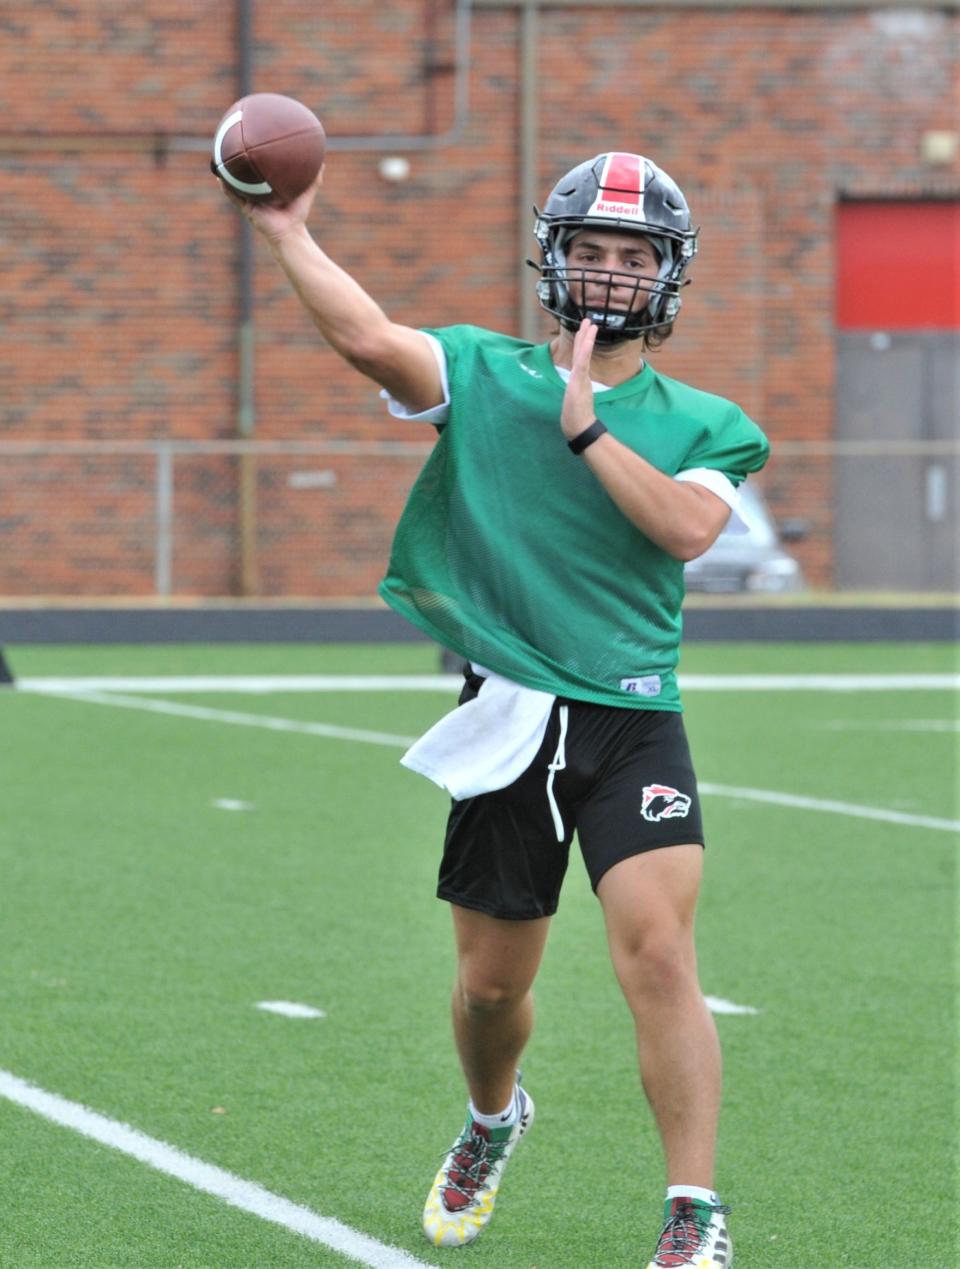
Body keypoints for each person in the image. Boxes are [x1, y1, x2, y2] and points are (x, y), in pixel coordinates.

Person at [221, 149, 767, 1268]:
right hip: (514, 715)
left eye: (632, 256)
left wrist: (589, 429)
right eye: (590, 250)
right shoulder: (483, 371)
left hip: (631, 717)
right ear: (553, 260)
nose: (608, 273)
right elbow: (372, 339)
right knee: (488, 993)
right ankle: (491, 1119)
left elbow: (685, 531)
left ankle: (694, 1214)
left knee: (659, 954)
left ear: (667, 277)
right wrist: (286, 234)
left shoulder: (711, 421)